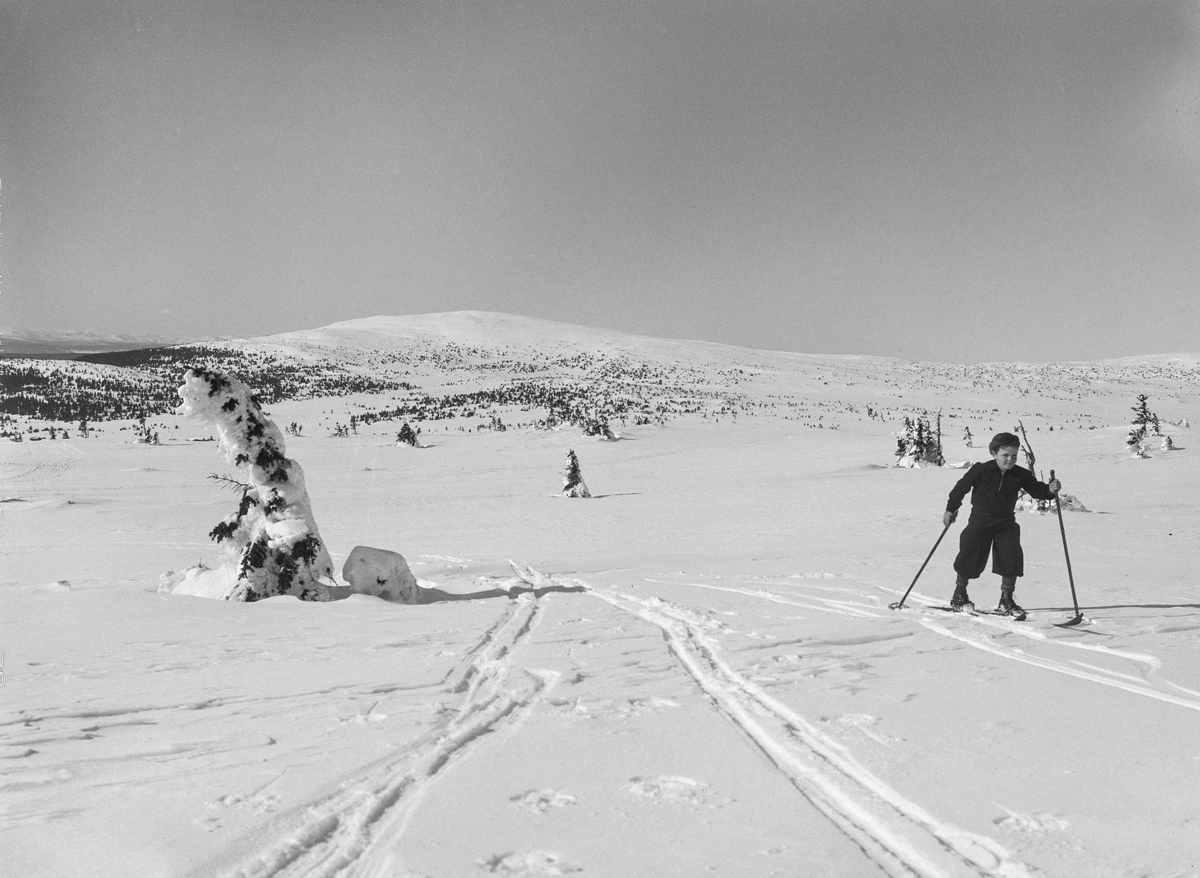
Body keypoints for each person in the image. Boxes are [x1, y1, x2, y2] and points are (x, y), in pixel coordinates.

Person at [943, 432, 1061, 616]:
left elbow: (1037, 490)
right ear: (993, 453)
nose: (1010, 459)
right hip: (980, 520)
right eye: (1005, 455)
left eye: (1014, 455)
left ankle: (1006, 600)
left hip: (1006, 521)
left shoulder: (1020, 474)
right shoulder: (981, 470)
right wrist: (951, 509)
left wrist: (1049, 490)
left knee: (1011, 556)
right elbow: (960, 488)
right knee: (970, 556)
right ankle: (959, 595)